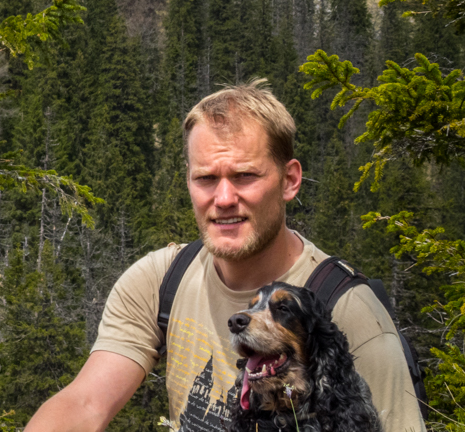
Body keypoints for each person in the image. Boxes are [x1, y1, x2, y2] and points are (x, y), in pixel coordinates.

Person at [24, 80, 425, 432]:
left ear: (290, 180)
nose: (224, 198)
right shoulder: (161, 279)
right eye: (206, 178)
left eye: (245, 176)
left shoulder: (350, 311)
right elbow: (84, 405)